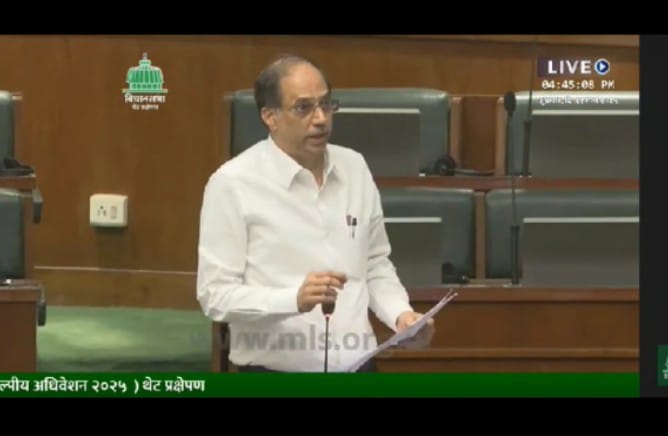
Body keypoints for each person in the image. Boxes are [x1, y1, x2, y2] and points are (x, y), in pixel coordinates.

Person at [196, 54, 434, 373]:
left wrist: (400, 315)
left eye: (325, 104)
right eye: (303, 108)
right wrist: (292, 299)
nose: (320, 118)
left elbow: (375, 263)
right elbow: (215, 295)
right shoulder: (232, 183)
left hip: (359, 367)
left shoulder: (354, 167)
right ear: (270, 116)